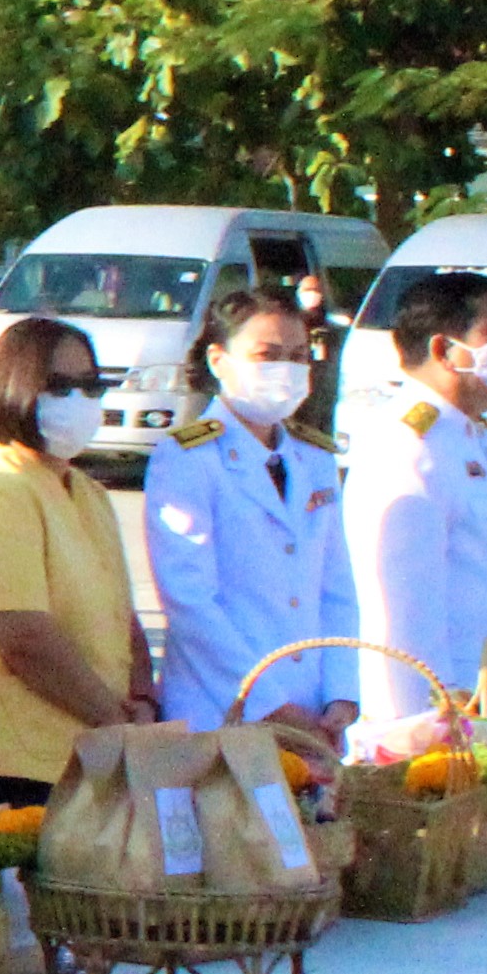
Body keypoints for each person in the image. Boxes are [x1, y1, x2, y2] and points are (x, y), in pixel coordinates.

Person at [0, 311, 145, 814]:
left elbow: (121, 618)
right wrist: (118, 721)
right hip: (6, 765)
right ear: (14, 386)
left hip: (82, 753)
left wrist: (143, 699)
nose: (79, 400)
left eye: (90, 385)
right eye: (58, 385)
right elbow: (22, 637)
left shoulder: (86, 492)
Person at [144, 288, 358, 736]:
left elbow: (335, 587)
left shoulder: (312, 456)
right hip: (221, 710)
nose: (287, 369)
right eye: (267, 354)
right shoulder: (189, 457)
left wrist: (342, 695)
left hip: (312, 710)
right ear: (219, 361)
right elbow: (190, 600)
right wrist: (271, 706)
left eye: (299, 356)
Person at [349, 276, 487, 722]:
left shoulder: (478, 439)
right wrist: (421, 736)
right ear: (444, 350)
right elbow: (402, 619)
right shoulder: (410, 447)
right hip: (453, 724)